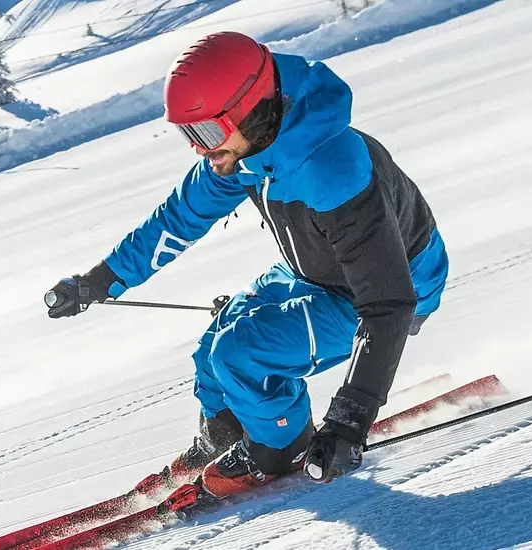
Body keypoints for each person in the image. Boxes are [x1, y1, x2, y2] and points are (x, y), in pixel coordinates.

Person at [41, 31, 449, 497]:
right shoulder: (246, 151)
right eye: (188, 135)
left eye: (207, 132)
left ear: (251, 109)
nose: (200, 149)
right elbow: (179, 218)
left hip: (389, 288)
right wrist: (101, 280)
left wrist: (349, 421)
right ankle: (228, 433)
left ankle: (281, 448)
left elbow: (389, 303)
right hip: (316, 272)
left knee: (242, 351)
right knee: (216, 342)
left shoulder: (330, 167)